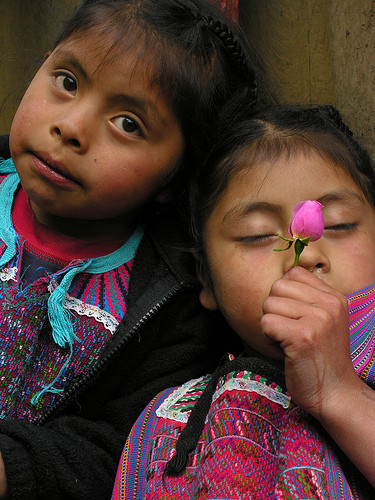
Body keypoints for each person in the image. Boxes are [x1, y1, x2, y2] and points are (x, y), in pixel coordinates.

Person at [0, 0, 263, 497]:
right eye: (68, 82)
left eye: (128, 124)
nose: (72, 128)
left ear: (174, 176)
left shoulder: (172, 306)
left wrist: (12, 469)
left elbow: (119, 452)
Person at [112, 104, 375, 499]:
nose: (303, 255)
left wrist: (339, 392)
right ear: (206, 278)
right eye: (256, 235)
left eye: (337, 225)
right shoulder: (172, 419)